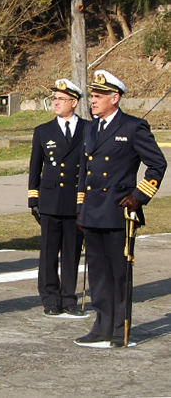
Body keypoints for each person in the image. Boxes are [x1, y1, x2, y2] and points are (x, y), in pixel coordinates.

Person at [75, 70, 166, 348]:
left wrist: (139, 195)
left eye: (99, 96)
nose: (93, 101)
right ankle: (101, 325)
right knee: (98, 273)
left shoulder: (133, 127)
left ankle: (119, 329)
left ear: (115, 98)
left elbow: (157, 164)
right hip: (93, 211)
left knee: (119, 273)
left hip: (118, 213)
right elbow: (84, 172)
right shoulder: (90, 128)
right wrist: (81, 208)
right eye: (92, 95)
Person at [28, 79, 86, 316]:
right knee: (49, 253)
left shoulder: (88, 129)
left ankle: (69, 297)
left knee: (72, 252)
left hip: (76, 200)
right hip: (50, 200)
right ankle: (50, 298)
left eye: (62, 99)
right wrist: (33, 199)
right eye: (55, 98)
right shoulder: (43, 131)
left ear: (74, 102)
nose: (56, 103)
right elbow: (35, 167)